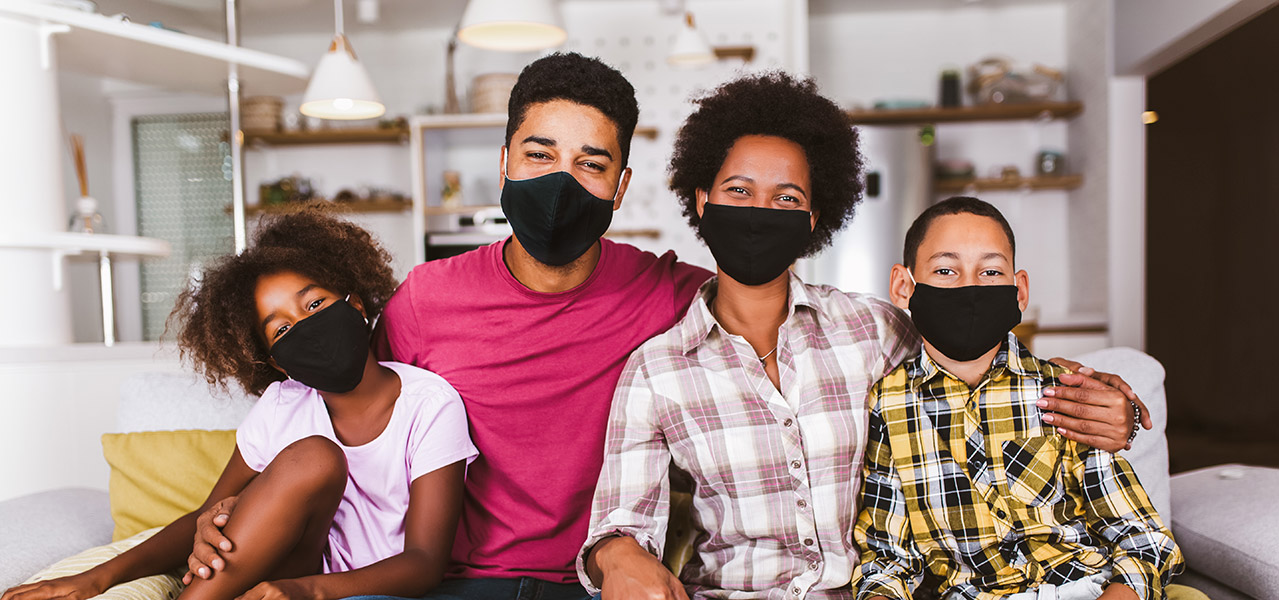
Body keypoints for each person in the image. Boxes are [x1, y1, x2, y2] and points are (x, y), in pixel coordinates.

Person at [579, 73, 1149, 600]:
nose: (760, 211)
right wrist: (619, 554)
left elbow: (980, 362)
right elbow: (619, 525)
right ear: (702, 202)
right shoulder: (658, 370)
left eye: (786, 198)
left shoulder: (872, 329)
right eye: (738, 191)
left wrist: (1091, 389)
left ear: (811, 219)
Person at [0, 209, 477, 600]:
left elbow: (424, 563)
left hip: (347, 589)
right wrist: (95, 579)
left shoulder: (430, 404)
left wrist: (303, 590)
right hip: (278, 573)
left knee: (314, 455)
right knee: (313, 457)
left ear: (355, 304)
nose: (305, 327)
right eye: (283, 329)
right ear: (277, 362)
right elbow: (207, 520)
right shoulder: (283, 404)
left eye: (313, 305)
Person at [851, 196, 1184, 600]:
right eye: (945, 270)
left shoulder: (1064, 390)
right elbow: (887, 559)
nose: (969, 286)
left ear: (1019, 290)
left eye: (990, 271)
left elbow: (1141, 538)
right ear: (904, 287)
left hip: (1088, 587)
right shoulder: (889, 405)